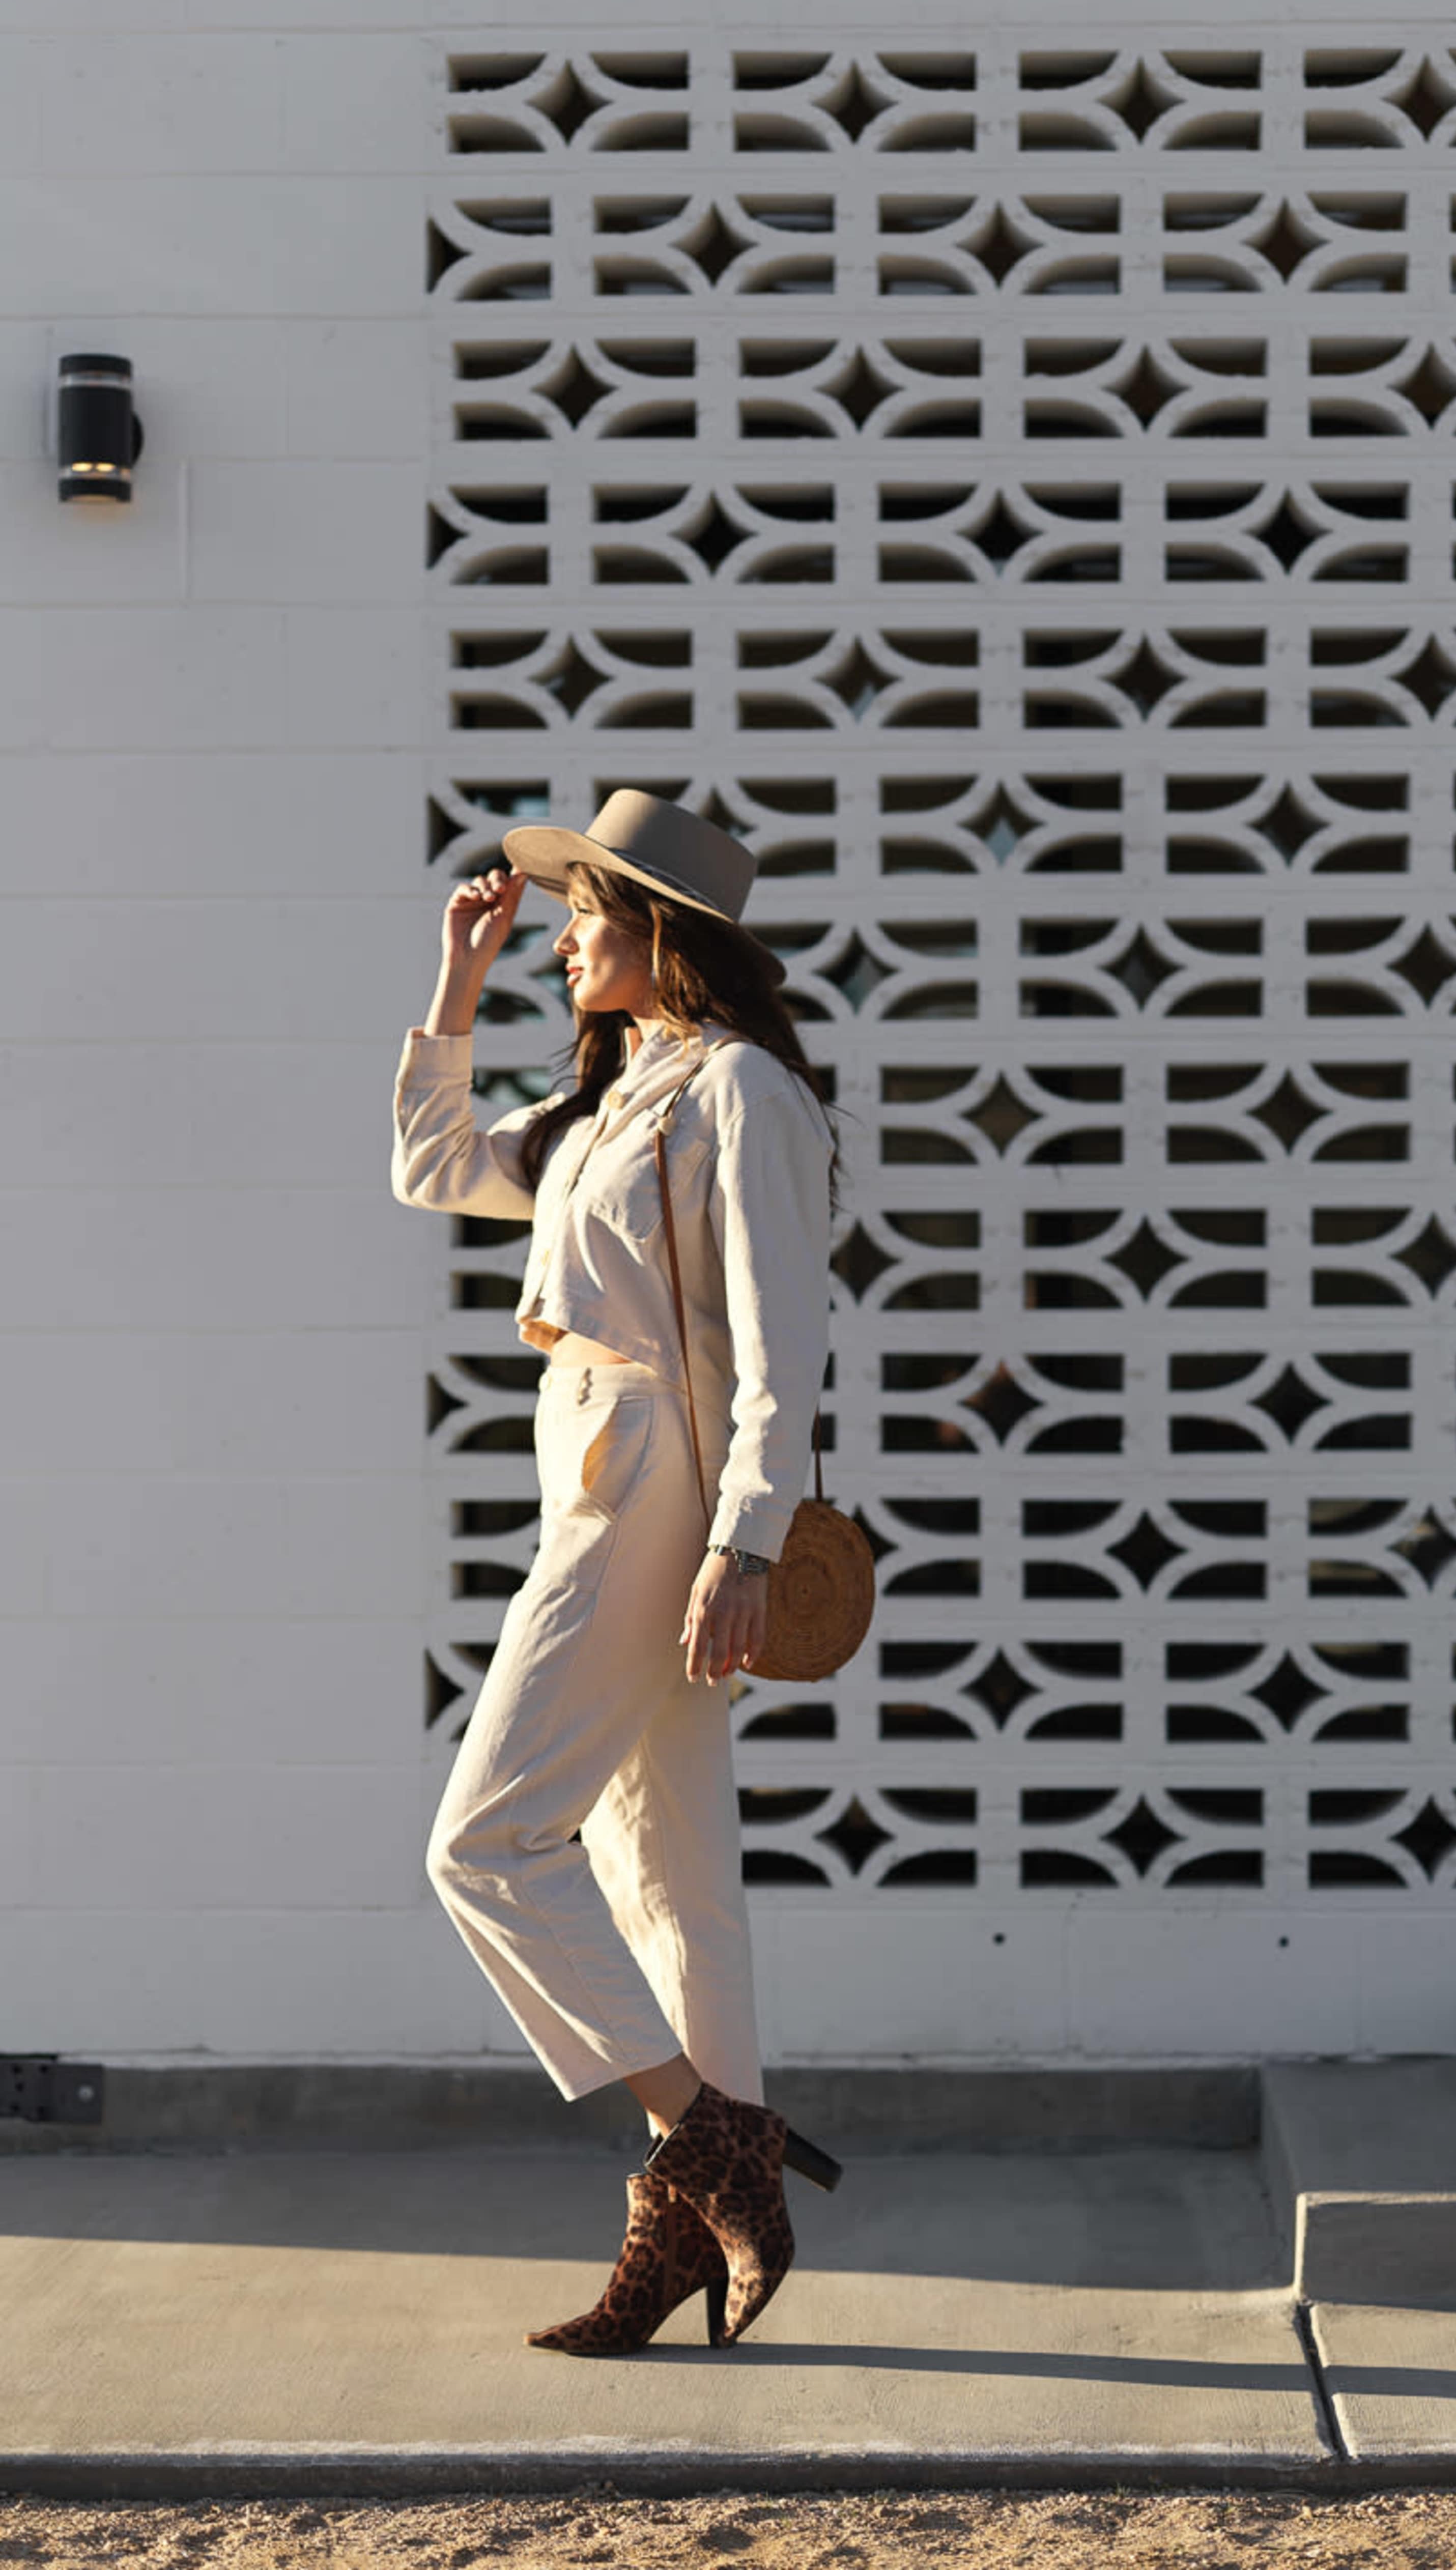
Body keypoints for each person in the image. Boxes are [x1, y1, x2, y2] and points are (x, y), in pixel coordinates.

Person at [390, 788, 843, 2357]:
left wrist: (745, 1541)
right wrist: (457, 986)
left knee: (487, 1844)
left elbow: (786, 1349)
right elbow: (436, 1165)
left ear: (666, 932)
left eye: (585, 910)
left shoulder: (741, 1097)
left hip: (654, 1478)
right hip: (593, 1454)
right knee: (671, 1890)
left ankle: (711, 2144)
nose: (562, 933)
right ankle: (683, 2245)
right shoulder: (618, 1091)